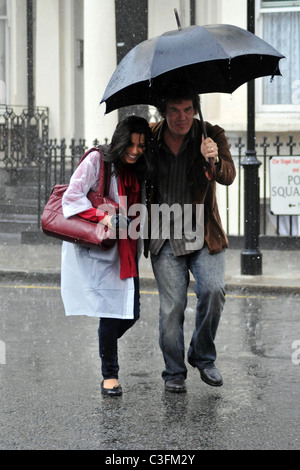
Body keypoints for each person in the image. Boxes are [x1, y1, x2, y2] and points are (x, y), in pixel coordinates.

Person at [146, 82, 236, 393]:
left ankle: (202, 355)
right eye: (174, 110)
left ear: (194, 110)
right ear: (164, 112)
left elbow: (228, 176)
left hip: (203, 230)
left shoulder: (211, 135)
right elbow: (128, 163)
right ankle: (173, 371)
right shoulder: (150, 137)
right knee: (172, 306)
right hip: (163, 232)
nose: (181, 117)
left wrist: (214, 159)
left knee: (213, 291)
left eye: (187, 110)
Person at [61, 115, 153, 397]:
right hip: (101, 248)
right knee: (110, 314)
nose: (136, 150)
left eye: (141, 145)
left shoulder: (139, 168)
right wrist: (103, 217)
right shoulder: (97, 160)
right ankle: (109, 375)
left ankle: (105, 343)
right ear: (120, 140)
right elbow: (72, 197)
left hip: (127, 247)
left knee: (131, 312)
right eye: (131, 144)